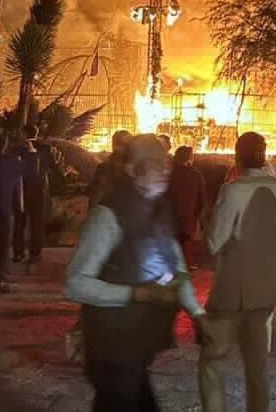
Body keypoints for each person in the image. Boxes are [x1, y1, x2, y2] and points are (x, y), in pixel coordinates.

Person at [65, 134, 204, 412]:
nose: (165, 168)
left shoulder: (158, 208)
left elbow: (176, 268)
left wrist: (198, 314)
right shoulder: (108, 216)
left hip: (135, 348)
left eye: (165, 161)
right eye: (154, 163)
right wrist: (137, 293)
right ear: (131, 170)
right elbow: (75, 284)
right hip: (111, 349)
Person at [199, 132, 276, 412]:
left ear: (237, 155)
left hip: (232, 292)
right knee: (258, 367)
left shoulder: (232, 190)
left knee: (213, 362)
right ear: (264, 154)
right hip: (269, 290)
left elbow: (213, 242)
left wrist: (208, 218)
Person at [13, 124, 67, 264]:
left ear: (25, 134)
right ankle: (35, 252)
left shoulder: (18, 150)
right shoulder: (46, 149)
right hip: (39, 190)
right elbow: (54, 168)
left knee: (20, 222)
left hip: (22, 191)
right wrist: (63, 181)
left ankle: (18, 252)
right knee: (37, 222)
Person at [168, 145, 207, 269]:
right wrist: (199, 217)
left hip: (171, 217)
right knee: (186, 247)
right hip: (189, 217)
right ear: (190, 158)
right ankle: (186, 267)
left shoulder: (169, 173)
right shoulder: (196, 174)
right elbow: (202, 199)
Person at [0, 134, 22, 293]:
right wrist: (31, 152)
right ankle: (1, 279)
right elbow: (32, 172)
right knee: (3, 246)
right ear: (4, 145)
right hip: (4, 211)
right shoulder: (11, 162)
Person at [87, 130, 132, 210]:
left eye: (126, 145)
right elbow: (95, 196)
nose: (121, 148)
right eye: (119, 143)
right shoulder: (104, 169)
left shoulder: (133, 170)